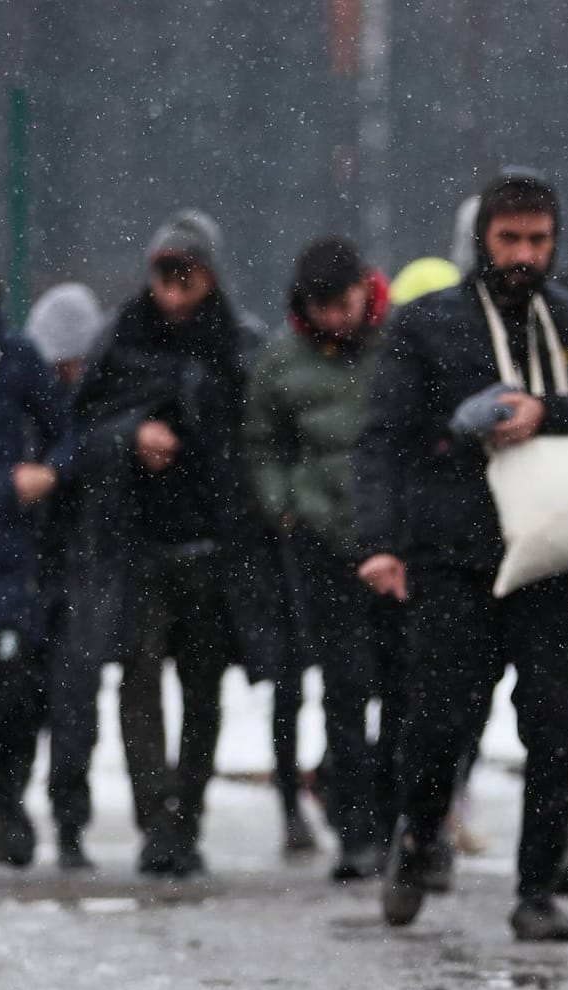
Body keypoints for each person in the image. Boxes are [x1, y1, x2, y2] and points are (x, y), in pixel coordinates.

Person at [355, 168, 568, 939]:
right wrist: (379, 542)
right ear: (482, 240)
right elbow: (384, 438)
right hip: (452, 556)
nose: (524, 254)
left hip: (553, 559)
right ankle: (419, 833)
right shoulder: (426, 324)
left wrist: (550, 411)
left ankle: (536, 889)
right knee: (437, 721)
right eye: (510, 239)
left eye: (537, 239)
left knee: (555, 724)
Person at [68, 210, 257, 876]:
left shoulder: (235, 345)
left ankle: (188, 820)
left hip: (210, 548)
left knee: (203, 693)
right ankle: (156, 820)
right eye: (164, 275)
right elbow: (85, 426)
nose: (174, 291)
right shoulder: (122, 338)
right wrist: (133, 437)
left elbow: (247, 446)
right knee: (138, 686)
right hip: (139, 546)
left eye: (187, 274)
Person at [246, 237, 400, 881]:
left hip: (392, 538)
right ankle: (356, 831)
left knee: (401, 683)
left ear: (366, 290)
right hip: (319, 541)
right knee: (342, 684)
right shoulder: (282, 359)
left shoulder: (397, 347)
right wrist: (285, 504)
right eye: (322, 307)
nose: (335, 318)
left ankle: (400, 821)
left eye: (344, 304)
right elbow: (262, 442)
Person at [23, 283, 104, 869]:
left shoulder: (99, 404)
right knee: (19, 701)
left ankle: (69, 824)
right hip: (31, 575)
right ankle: (14, 807)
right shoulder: (19, 403)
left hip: (78, 573)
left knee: (75, 707)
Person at [0, 272, 70, 869]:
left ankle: (10, 804)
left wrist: (51, 470)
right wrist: (6, 488)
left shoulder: (17, 358)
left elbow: (67, 429)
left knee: (17, 695)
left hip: (13, 566)